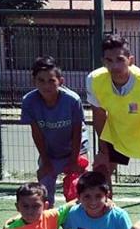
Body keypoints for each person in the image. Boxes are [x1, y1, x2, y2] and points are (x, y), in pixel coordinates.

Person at [86, 35, 140, 186]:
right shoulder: (94, 80)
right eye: (109, 60)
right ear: (103, 62)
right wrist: (103, 152)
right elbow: (99, 117)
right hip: (116, 127)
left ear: (130, 60)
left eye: (120, 60)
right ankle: (106, 202)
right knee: (102, 169)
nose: (115, 66)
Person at [20, 55, 89, 205]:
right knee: (44, 187)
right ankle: (47, 214)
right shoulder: (29, 101)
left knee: (76, 189)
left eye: (51, 80)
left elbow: (77, 131)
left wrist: (73, 161)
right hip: (50, 153)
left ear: (60, 81)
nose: (46, 86)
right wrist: (45, 161)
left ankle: (77, 217)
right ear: (34, 81)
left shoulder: (72, 100)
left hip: (75, 150)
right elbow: (36, 133)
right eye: (41, 80)